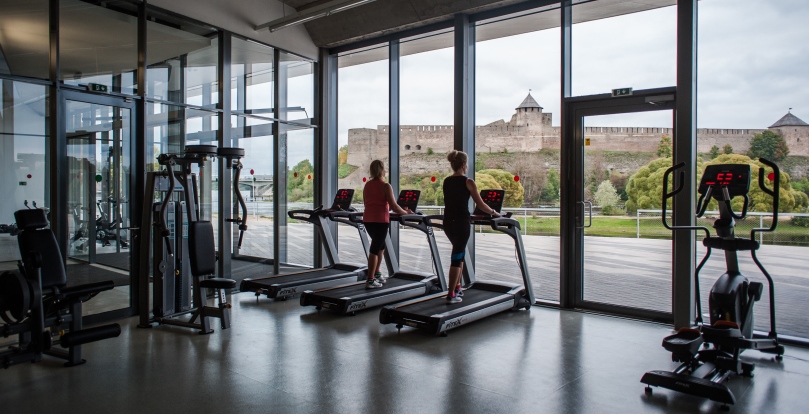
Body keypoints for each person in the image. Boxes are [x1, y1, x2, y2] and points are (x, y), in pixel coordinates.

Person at [443, 150, 500, 303]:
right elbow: (480, 204)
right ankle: (450, 294)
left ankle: (457, 287)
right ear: (463, 165)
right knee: (456, 256)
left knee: (459, 253)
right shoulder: (468, 182)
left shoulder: (446, 181)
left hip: (447, 222)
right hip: (461, 222)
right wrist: (495, 213)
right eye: (466, 164)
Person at [363, 160, 411, 288]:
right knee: (375, 248)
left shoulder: (367, 185)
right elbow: (394, 206)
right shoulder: (386, 186)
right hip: (380, 221)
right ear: (382, 170)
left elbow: (368, 203)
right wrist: (406, 213)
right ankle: (370, 279)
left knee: (381, 246)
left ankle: (377, 273)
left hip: (368, 220)